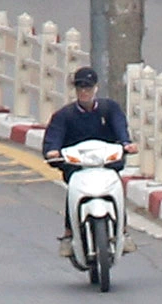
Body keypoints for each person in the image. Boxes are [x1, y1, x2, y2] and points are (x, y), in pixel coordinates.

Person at [41, 66, 134, 256]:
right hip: (77, 167)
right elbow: (53, 138)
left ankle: (123, 231)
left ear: (96, 88)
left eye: (88, 87)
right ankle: (68, 234)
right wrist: (52, 151)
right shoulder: (64, 116)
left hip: (106, 164)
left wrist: (126, 144)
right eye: (80, 87)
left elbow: (121, 130)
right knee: (74, 189)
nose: (84, 92)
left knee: (116, 184)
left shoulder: (110, 109)